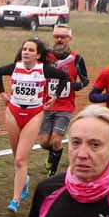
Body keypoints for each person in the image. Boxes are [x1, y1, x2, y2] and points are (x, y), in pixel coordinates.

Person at [0, 38, 71, 214]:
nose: (26, 52)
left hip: (33, 115)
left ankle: (14, 201)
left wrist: (54, 97)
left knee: (21, 160)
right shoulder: (15, 68)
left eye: (30, 50)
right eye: (24, 49)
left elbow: (65, 77)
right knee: (17, 160)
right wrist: (3, 94)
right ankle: (25, 180)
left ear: (38, 55)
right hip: (13, 113)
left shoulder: (43, 69)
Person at [40, 24, 88, 176]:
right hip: (46, 105)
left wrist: (76, 85)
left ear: (70, 39)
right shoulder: (46, 57)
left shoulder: (76, 58)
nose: (59, 39)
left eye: (63, 37)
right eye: (57, 36)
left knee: (55, 140)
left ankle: (52, 172)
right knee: (44, 142)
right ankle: (53, 155)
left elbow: (85, 80)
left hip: (65, 106)